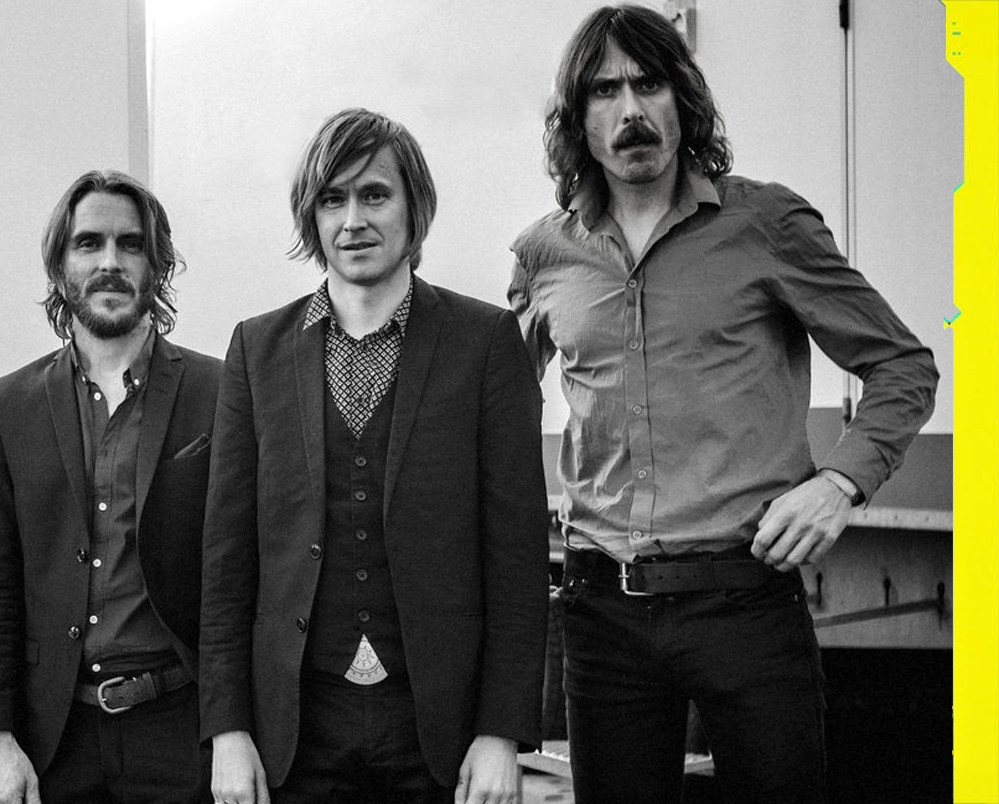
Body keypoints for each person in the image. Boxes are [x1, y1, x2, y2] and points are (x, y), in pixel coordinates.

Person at [510, 7, 939, 802]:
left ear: (683, 99)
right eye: (604, 91)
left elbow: (903, 365)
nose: (631, 111)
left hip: (747, 602)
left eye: (649, 84)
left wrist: (839, 483)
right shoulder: (544, 255)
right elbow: (487, 408)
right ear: (576, 119)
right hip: (602, 615)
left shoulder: (765, 225)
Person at [201, 108, 546, 804]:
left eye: (375, 195)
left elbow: (516, 557)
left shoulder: (485, 343)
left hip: (439, 728)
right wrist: (228, 730)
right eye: (333, 199)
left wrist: (501, 733)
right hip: (296, 728)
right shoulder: (255, 351)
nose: (353, 220)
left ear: (414, 208)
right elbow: (227, 561)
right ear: (312, 217)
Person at [0, 169, 221, 804]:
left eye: (131, 244)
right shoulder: (6, 407)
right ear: (59, 267)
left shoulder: (221, 394)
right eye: (89, 243)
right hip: (54, 740)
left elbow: (242, 581)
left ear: (157, 266)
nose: (110, 261)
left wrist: (233, 729)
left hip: (182, 731)